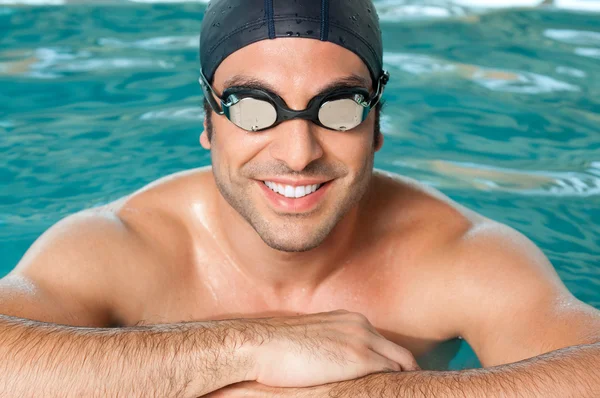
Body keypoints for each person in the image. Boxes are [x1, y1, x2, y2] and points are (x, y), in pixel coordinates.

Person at [1, 0, 599, 396]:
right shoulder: (121, 246)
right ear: (208, 123)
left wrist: (365, 391)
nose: (297, 152)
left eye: (337, 108)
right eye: (254, 109)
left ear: (376, 123)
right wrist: (251, 347)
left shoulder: (458, 254)